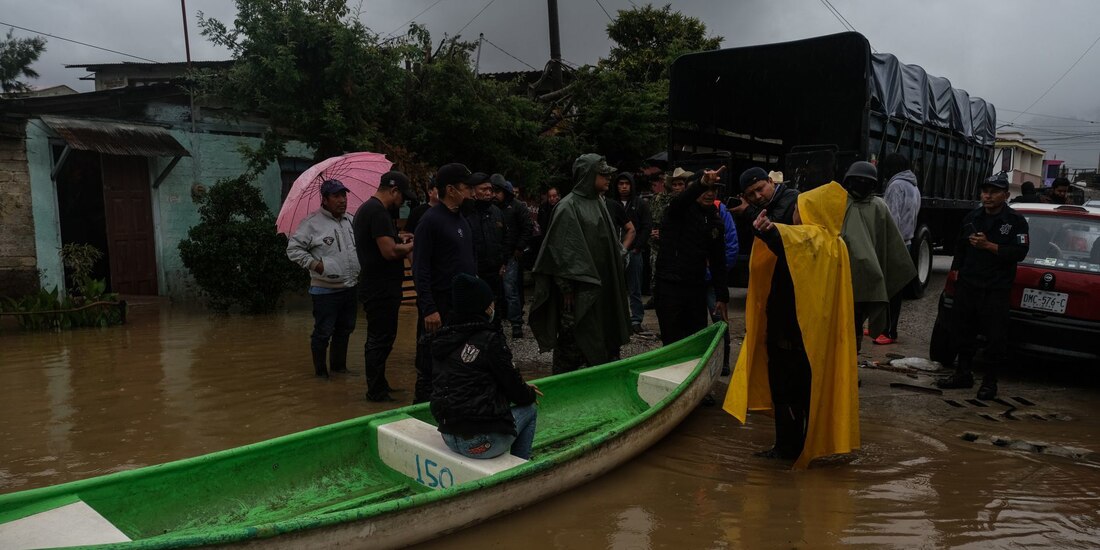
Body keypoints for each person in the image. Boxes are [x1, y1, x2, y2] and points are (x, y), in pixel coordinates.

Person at [723, 168, 859, 468]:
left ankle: (792, 448)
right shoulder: (827, 242)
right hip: (795, 330)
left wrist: (763, 226)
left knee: (791, 389)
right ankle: (799, 444)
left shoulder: (817, 240)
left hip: (794, 333)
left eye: (800, 209)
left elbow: (786, 244)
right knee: (795, 390)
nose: (795, 213)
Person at [530, 154, 632, 374]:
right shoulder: (568, 207)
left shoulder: (598, 203)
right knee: (574, 343)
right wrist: (567, 288)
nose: (609, 178)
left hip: (602, 287)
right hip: (577, 294)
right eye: (603, 174)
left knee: (604, 334)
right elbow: (560, 253)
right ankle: (563, 390)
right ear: (588, 175)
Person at [936, 172, 1029, 400]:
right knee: (961, 331)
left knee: (995, 338)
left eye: (994, 192)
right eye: (985, 191)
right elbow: (959, 248)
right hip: (968, 285)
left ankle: (989, 382)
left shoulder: (1015, 221)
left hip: (995, 289)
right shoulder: (972, 217)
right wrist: (955, 273)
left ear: (1006, 195)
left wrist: (989, 246)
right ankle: (963, 374)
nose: (988, 196)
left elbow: (1019, 253)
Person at [430, 273, 541, 460]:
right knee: (530, 409)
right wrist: (528, 392)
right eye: (491, 303)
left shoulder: (443, 338)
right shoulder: (490, 340)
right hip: (480, 445)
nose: (493, 307)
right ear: (486, 308)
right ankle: (521, 466)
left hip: (448, 438)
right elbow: (517, 392)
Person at [412, 163, 478, 403]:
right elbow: (420, 269)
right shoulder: (430, 221)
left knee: (457, 365)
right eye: (467, 188)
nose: (472, 193)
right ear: (451, 189)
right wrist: (428, 308)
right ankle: (417, 420)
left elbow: (470, 262)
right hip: (438, 308)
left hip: (461, 309)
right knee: (430, 367)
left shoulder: (462, 220)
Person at [352, 171, 417, 401]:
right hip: (380, 286)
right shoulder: (377, 212)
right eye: (403, 197)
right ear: (394, 191)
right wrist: (410, 246)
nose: (402, 202)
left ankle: (380, 383)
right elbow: (388, 252)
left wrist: (400, 239)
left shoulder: (368, 210)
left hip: (377, 284)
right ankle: (375, 392)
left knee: (383, 336)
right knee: (380, 338)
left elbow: (384, 243)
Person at [286, 179, 360, 378]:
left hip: (350, 286)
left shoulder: (351, 220)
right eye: (336, 196)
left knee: (345, 330)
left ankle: (339, 368)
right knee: (323, 332)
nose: (342, 200)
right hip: (325, 290)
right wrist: (317, 265)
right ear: (325, 199)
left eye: (344, 195)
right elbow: (293, 250)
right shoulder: (311, 224)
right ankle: (321, 374)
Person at [840, 161, 917, 352]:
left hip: (865, 277)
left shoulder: (878, 207)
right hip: (839, 273)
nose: (860, 184)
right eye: (856, 180)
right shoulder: (838, 202)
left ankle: (851, 367)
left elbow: (888, 243)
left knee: (855, 322)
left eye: (865, 181)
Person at [653, 169, 728, 346]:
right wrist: (701, 183)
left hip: (696, 287)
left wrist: (722, 296)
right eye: (705, 189)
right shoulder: (678, 210)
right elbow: (682, 200)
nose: (710, 194)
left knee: (695, 340)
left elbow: (718, 260)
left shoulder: (714, 220)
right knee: (672, 342)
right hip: (669, 286)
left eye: (714, 189)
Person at [873, 154, 922, 345]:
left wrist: (882, 243)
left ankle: (889, 331)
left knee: (889, 290)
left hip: (894, 244)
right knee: (894, 288)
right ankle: (882, 327)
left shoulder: (895, 186)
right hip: (907, 242)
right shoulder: (914, 186)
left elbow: (891, 219)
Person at [492, 174, 534, 339]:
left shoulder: (517, 206)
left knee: (511, 291)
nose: (494, 194)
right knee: (495, 292)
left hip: (511, 255)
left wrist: (519, 247)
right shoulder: (490, 209)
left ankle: (516, 324)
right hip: (493, 257)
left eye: (497, 191)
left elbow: (527, 227)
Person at [465, 172, 507, 329]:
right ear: (473, 191)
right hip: (474, 272)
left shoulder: (496, 212)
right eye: (483, 189)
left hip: (495, 272)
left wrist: (504, 261)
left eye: (490, 189)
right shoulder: (465, 212)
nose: (488, 193)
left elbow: (504, 239)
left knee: (496, 311)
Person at [614, 172, 652, 334]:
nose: (623, 187)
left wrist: (637, 247)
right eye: (621, 183)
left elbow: (646, 227)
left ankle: (636, 319)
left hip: (634, 252)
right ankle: (618, 319)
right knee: (616, 287)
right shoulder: (611, 203)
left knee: (634, 287)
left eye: (626, 183)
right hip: (615, 252)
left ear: (631, 185)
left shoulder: (640, 204)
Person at [648, 168, 691, 304]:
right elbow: (651, 221)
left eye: (680, 184)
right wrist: (652, 233)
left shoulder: (691, 202)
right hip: (659, 249)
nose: (677, 188)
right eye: (675, 184)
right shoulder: (660, 200)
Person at [707, 191, 739, 375]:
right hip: (694, 278)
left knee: (720, 321)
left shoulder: (721, 209)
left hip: (714, 279)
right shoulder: (688, 210)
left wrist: (718, 272)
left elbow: (732, 244)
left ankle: (724, 362)